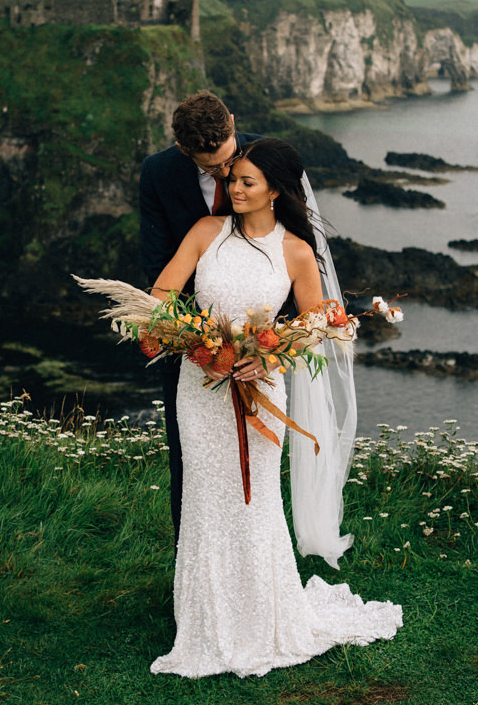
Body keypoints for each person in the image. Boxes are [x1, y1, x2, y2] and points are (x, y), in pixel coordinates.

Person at [147, 138, 402, 679]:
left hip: (263, 392)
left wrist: (266, 360)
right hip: (200, 390)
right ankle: (204, 622)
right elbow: (160, 297)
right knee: (205, 500)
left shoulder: (297, 252)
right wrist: (202, 348)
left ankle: (264, 618)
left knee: (256, 499)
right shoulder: (204, 233)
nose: (233, 189)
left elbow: (318, 326)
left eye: (246, 182)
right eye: (233, 179)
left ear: (276, 192)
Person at [139, 91, 258, 541]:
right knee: (189, 458)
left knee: (254, 460)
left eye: (229, 161)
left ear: (233, 121)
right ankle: (191, 574)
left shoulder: (268, 157)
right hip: (187, 342)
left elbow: (296, 250)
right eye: (211, 169)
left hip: (257, 340)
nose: (226, 175)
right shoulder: (158, 171)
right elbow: (156, 259)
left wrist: (265, 342)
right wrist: (195, 338)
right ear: (183, 150)